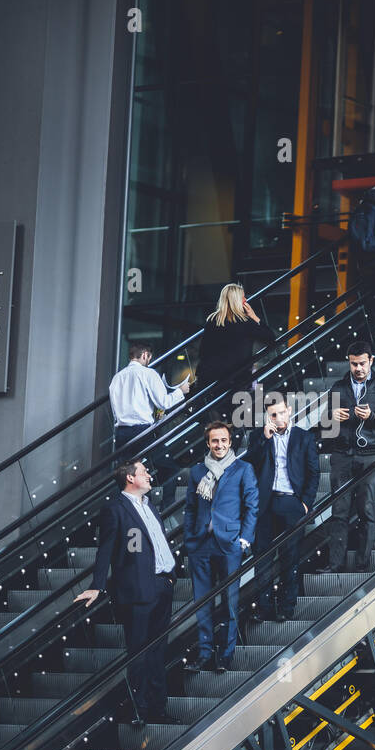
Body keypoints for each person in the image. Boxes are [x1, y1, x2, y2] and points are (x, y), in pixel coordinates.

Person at [75, 459, 179, 726]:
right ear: (130, 479)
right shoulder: (115, 509)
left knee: (158, 652)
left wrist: (169, 579)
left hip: (163, 585)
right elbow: (105, 550)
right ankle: (140, 710)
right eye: (143, 472)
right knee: (139, 652)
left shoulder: (150, 507)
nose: (148, 474)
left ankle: (159, 708)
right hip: (137, 591)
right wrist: (97, 586)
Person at [319, 342, 375, 573]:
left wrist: (373, 416)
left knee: (366, 509)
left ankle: (362, 565)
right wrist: (330, 416)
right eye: (354, 363)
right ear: (349, 361)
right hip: (342, 455)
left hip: (371, 456)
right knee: (339, 512)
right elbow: (325, 428)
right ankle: (335, 565)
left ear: (371, 361)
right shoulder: (337, 388)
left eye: (362, 363)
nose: (358, 368)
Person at [183, 421, 258, 672]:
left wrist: (244, 539)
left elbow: (252, 506)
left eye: (224, 440)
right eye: (215, 441)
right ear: (208, 443)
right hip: (202, 544)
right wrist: (190, 539)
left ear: (230, 441)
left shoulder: (243, 469)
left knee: (230, 602)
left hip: (229, 544)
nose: (220, 445)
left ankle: (225, 655)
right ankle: (204, 653)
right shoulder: (196, 472)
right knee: (202, 602)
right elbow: (191, 508)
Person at [245, 394, 319, 622]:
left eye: (281, 412)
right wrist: (264, 440)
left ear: (289, 410)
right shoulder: (258, 437)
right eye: (272, 415)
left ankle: (287, 607)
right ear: (267, 416)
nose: (278, 418)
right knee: (262, 559)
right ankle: (263, 608)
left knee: (290, 557)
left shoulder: (303, 438)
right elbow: (250, 465)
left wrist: (305, 503)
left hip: (292, 503)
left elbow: (313, 473)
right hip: (265, 504)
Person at [108, 340, 190, 508]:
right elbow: (164, 402)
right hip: (143, 432)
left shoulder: (117, 378)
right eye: (149, 357)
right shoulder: (148, 374)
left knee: (127, 477)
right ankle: (167, 507)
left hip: (122, 434)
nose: (149, 361)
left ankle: (132, 509)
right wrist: (180, 391)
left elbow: (115, 410)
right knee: (170, 469)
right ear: (145, 355)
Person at [195, 283, 274, 418]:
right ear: (238, 300)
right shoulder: (245, 322)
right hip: (236, 381)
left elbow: (203, 352)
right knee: (236, 419)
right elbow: (270, 338)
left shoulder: (213, 320)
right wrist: (254, 316)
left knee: (215, 418)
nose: (245, 301)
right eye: (243, 298)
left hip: (211, 381)